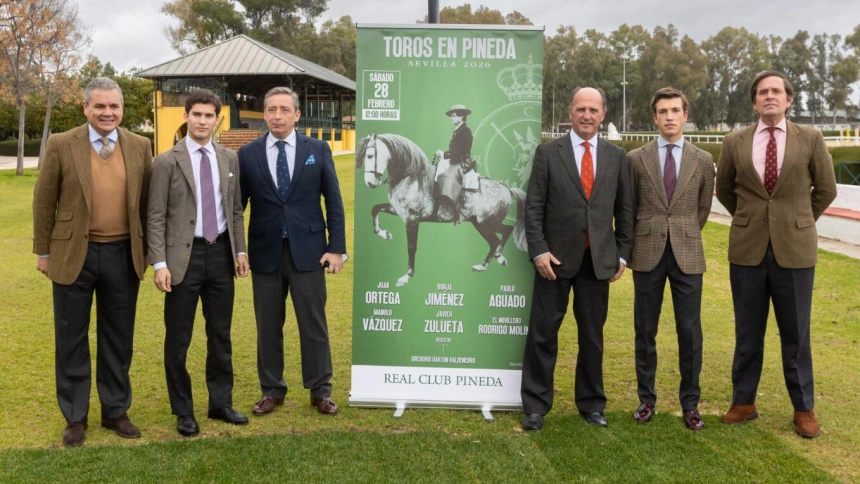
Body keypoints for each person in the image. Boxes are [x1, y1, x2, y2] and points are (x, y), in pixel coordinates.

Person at [716, 70, 837, 439]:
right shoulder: (734, 141)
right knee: (747, 332)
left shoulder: (811, 138)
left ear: (788, 99)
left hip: (795, 252)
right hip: (747, 251)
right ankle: (744, 401)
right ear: (754, 102)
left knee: (796, 334)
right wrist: (754, 219)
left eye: (776, 91)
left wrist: (798, 220)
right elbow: (725, 190)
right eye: (762, 92)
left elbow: (826, 190)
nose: (770, 96)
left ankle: (803, 408)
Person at [32, 77, 152, 447]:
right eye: (99, 106)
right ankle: (75, 416)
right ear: (85, 108)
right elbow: (43, 200)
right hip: (72, 255)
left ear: (122, 109)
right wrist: (43, 252)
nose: (107, 112)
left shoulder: (139, 145)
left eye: (114, 106)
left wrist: (149, 252)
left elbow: (148, 203)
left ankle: (115, 410)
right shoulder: (61, 144)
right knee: (71, 338)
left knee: (118, 337)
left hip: (123, 254)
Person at [520, 87, 634, 430]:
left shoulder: (617, 156)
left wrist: (623, 256)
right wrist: (538, 250)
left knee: (592, 337)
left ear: (602, 115)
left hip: (597, 261)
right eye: (581, 109)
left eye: (594, 110)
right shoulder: (547, 153)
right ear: (570, 112)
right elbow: (533, 207)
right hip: (553, 261)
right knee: (542, 334)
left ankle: (591, 403)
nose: (587, 115)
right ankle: (535, 406)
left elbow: (625, 211)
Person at [147, 89, 250, 437]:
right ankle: (183, 411)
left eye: (209, 116)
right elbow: (155, 216)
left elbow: (234, 210)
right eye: (197, 115)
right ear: (186, 117)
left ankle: (220, 403)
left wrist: (240, 251)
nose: (203, 121)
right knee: (178, 338)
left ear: (218, 120)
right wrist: (159, 263)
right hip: (182, 259)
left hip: (221, 255)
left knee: (220, 334)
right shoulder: (165, 161)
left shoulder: (229, 158)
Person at [238, 86, 346, 417]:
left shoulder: (317, 148)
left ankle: (320, 390)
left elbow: (334, 199)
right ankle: (272, 390)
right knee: (267, 325)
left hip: (310, 252)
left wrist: (337, 248)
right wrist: (237, 250)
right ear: (264, 114)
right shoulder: (248, 153)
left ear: (297, 115)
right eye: (271, 109)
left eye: (284, 109)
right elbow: (236, 207)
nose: (277, 115)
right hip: (265, 253)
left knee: (313, 324)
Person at [627, 88, 715, 431]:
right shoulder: (636, 158)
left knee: (690, 331)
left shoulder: (702, 159)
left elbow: (703, 208)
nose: (669, 116)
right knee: (644, 330)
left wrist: (684, 232)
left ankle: (690, 403)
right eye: (662, 111)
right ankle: (646, 399)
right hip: (647, 253)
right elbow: (630, 207)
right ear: (654, 117)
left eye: (675, 110)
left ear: (685, 115)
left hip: (688, 253)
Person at [436, 104, 475, 224]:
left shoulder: (465, 131)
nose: (451, 118)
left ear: (461, 116)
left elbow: (459, 151)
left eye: (453, 116)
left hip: (462, 162)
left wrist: (443, 154)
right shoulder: (458, 130)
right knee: (436, 171)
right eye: (451, 116)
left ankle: (452, 209)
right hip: (455, 160)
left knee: (445, 176)